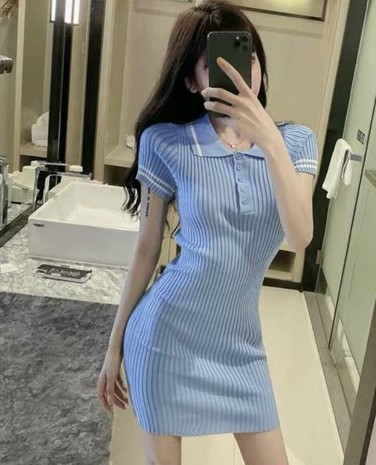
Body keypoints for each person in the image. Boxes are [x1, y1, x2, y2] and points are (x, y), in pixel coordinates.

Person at [97, 1, 318, 464]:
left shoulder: (296, 142)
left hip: (241, 350)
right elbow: (146, 249)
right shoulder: (166, 141)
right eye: (215, 63)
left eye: (248, 57)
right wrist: (113, 349)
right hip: (164, 339)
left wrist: (268, 138)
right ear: (192, 81)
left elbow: (300, 237)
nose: (241, 71)